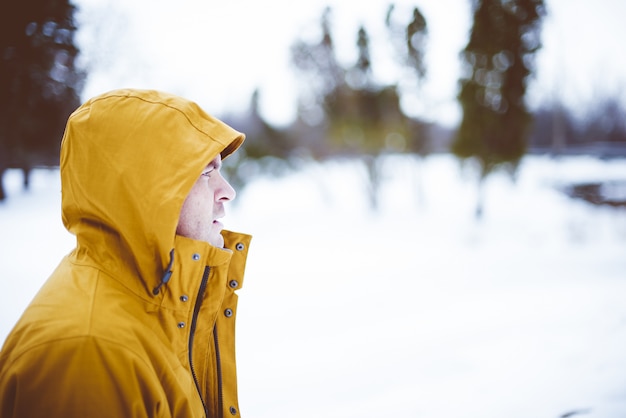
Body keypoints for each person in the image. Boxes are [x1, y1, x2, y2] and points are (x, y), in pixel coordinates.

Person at [0, 89, 252, 417]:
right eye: (205, 172)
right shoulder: (87, 353)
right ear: (147, 192)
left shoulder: (157, 303)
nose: (227, 191)